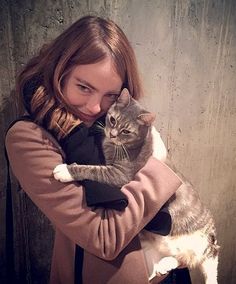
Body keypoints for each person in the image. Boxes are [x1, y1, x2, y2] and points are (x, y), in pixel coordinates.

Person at [5, 15, 187, 284]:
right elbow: (105, 236)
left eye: (110, 95)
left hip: (169, 264)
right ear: (60, 72)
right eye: (83, 87)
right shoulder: (30, 138)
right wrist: (155, 163)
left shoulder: (114, 119)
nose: (94, 107)